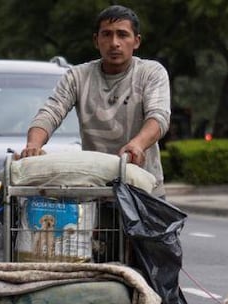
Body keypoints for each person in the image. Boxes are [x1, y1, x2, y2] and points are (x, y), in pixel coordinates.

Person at [16, 5, 171, 197]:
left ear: (136, 41)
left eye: (122, 35)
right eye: (107, 34)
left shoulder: (151, 72)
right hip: (97, 190)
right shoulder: (77, 76)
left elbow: (159, 116)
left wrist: (138, 145)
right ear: (96, 41)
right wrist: (33, 145)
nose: (114, 43)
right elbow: (51, 112)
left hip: (144, 190)